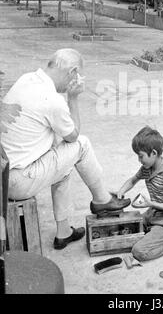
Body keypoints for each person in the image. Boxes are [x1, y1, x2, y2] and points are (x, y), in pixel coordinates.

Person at [1, 49, 130, 250]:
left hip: (6, 173)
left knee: (64, 163)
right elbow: (73, 136)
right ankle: (101, 200)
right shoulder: (52, 100)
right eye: (77, 75)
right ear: (73, 71)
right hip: (19, 181)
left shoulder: (27, 79)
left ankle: (64, 233)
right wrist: (73, 98)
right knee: (82, 146)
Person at [116, 126, 163, 262]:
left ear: (153, 153)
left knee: (139, 251)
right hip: (154, 213)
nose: (139, 160)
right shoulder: (147, 168)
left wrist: (150, 203)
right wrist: (121, 191)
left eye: (140, 156)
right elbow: (133, 180)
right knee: (128, 227)